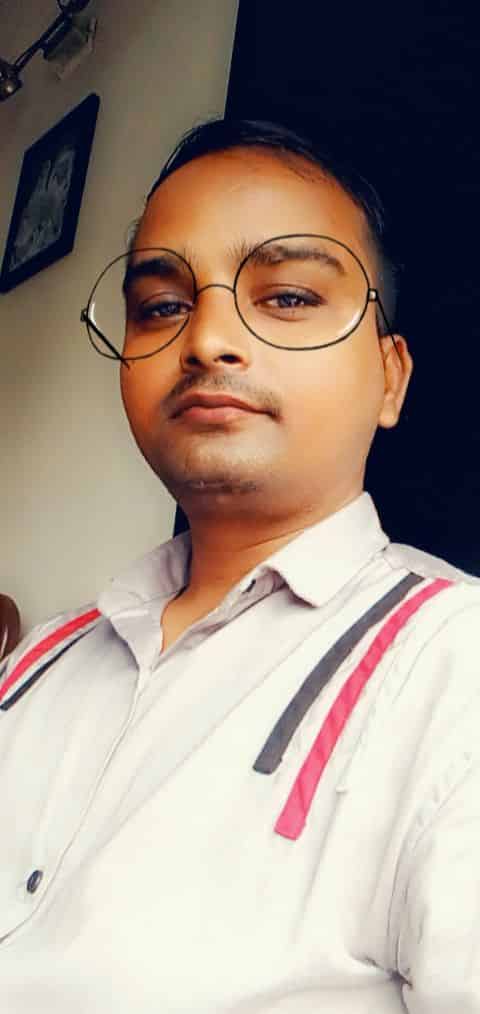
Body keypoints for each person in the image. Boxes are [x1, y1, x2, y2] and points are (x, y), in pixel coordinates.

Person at [1, 117, 479, 1014]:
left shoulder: (456, 667)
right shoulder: (39, 661)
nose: (207, 339)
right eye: (161, 306)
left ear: (390, 377)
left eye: (287, 296)